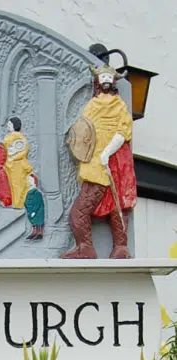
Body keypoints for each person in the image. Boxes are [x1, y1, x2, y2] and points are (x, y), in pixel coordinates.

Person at [62, 64, 137, 259]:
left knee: (83, 211)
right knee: (102, 206)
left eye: (108, 76)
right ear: (98, 80)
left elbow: (122, 132)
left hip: (107, 163)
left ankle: (94, 248)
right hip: (93, 160)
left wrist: (107, 152)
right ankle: (92, 247)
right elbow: (83, 129)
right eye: (102, 76)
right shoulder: (92, 105)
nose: (105, 79)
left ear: (113, 81)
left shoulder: (119, 106)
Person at [3, 117, 33, 208]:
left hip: (17, 165)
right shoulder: (10, 136)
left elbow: (24, 150)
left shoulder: (18, 137)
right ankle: (15, 202)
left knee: (18, 184)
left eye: (9, 124)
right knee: (12, 184)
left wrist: (13, 158)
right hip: (10, 164)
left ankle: (18, 204)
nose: (8, 126)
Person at [25, 174, 45, 240]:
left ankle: (40, 233)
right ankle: (34, 232)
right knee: (33, 222)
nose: (29, 182)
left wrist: (34, 211)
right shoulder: (28, 193)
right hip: (30, 210)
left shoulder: (37, 193)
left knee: (38, 221)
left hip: (37, 211)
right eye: (28, 180)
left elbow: (38, 203)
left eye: (31, 181)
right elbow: (26, 202)